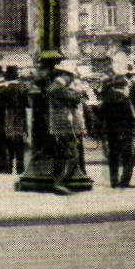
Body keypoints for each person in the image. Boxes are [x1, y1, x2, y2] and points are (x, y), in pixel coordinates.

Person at [44, 64, 85, 195]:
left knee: (63, 155)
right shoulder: (57, 88)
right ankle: (60, 183)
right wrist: (80, 92)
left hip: (63, 126)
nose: (72, 80)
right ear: (65, 75)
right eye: (71, 77)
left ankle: (60, 182)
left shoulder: (58, 87)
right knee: (73, 155)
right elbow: (76, 97)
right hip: (64, 126)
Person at [99, 74, 135, 188]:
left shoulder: (106, 99)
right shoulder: (125, 100)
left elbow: (101, 115)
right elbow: (132, 116)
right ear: (122, 86)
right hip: (125, 130)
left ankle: (114, 181)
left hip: (111, 130)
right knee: (128, 156)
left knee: (113, 156)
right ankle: (124, 181)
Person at [0, 66, 29, 174]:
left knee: (8, 144)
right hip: (20, 118)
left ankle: (8, 168)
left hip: (8, 119)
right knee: (20, 145)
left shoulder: (3, 90)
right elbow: (28, 104)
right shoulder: (23, 89)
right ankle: (20, 169)